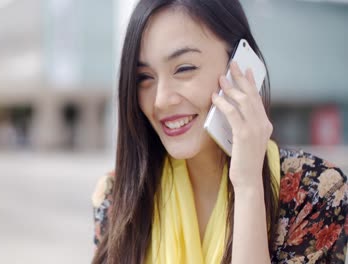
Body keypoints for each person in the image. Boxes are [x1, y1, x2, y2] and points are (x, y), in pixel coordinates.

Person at [91, 0, 348, 263]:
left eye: (184, 68)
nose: (160, 100)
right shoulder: (116, 197)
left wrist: (248, 186)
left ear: (241, 64)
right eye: (144, 78)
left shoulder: (315, 192)